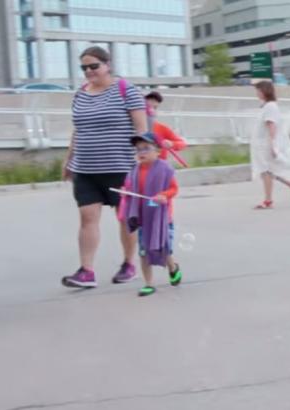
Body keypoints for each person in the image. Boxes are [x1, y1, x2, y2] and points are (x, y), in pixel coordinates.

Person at [61, 46, 147, 289]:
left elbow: (141, 130)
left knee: (124, 218)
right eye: (84, 68)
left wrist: (144, 163)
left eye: (93, 66)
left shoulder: (125, 91)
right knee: (87, 218)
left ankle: (129, 264)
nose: (89, 71)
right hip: (85, 169)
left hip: (120, 167)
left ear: (107, 64)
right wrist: (69, 160)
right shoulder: (80, 94)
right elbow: (78, 130)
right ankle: (86, 271)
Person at [119, 135, 182, 297]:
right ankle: (148, 283)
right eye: (138, 149)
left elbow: (174, 189)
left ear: (158, 151)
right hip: (144, 219)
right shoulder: (134, 171)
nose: (141, 152)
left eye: (146, 148)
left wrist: (164, 195)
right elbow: (129, 188)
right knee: (143, 250)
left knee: (163, 248)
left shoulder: (164, 169)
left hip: (161, 217)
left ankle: (173, 267)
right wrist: (125, 191)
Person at [252, 81, 290, 209]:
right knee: (270, 172)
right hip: (262, 144)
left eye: (258, 90)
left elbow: (272, 125)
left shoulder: (270, 106)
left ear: (264, 91)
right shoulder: (266, 106)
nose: (257, 93)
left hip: (265, 144)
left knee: (266, 172)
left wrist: (273, 145)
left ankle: (268, 200)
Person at [143, 91, 188, 162]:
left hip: (159, 169)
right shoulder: (129, 128)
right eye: (148, 107)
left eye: (155, 108)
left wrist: (171, 144)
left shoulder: (162, 128)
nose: (151, 110)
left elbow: (182, 144)